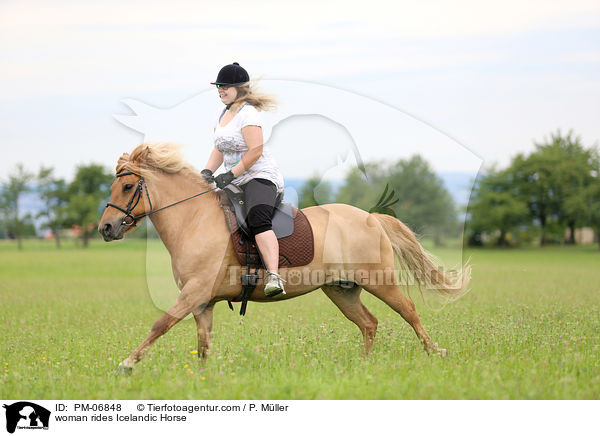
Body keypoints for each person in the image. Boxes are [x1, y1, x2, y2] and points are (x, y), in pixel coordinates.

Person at [201, 62, 285, 297]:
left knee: (258, 217)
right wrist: (207, 171)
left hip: (259, 176)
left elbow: (255, 150)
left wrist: (230, 174)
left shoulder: (248, 114)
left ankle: (274, 275)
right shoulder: (223, 115)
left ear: (240, 88)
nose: (220, 90)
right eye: (219, 86)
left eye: (225, 86)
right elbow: (220, 148)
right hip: (235, 179)